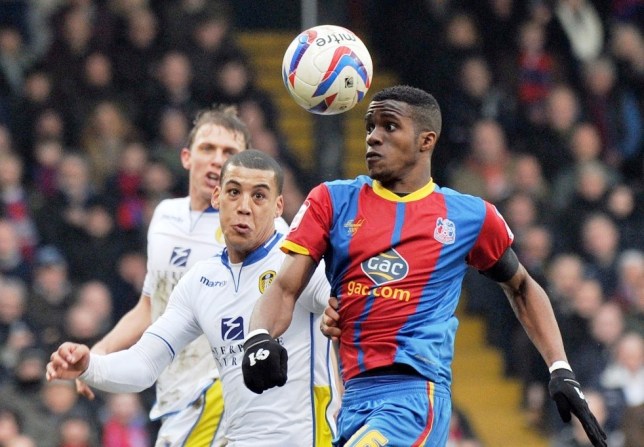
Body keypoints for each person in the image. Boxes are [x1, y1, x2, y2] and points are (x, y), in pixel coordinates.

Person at [241, 85, 607, 447]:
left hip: (415, 399)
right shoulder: (332, 201)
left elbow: (522, 286)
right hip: (352, 398)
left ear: (426, 140)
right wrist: (258, 338)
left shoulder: (468, 216)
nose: (373, 137)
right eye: (370, 126)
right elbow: (284, 287)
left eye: (389, 126)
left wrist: (560, 367)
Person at [47, 150, 339, 446]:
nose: (244, 207)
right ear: (217, 197)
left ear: (278, 207)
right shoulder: (200, 281)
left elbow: (346, 306)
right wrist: (89, 366)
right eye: (234, 192)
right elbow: (144, 363)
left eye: (259, 196)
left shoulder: (302, 265)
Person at [74, 106, 289, 447]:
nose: (217, 160)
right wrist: (100, 352)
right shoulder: (164, 216)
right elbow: (151, 305)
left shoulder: (262, 229)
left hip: (222, 394)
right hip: (174, 393)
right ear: (187, 157)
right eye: (208, 148)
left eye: (229, 152)